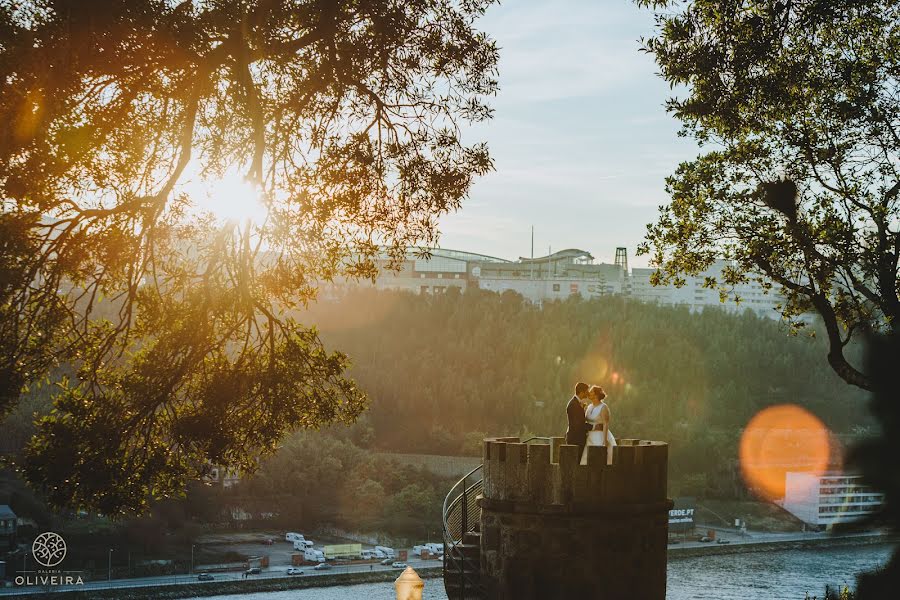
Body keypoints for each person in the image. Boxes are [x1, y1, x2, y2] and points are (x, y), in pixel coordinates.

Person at [581, 384, 617, 465]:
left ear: (596, 395)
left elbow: (605, 424)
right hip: (589, 436)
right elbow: (584, 420)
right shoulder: (589, 407)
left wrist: (604, 441)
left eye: (591, 392)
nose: (589, 393)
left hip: (600, 436)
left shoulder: (603, 407)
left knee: (599, 460)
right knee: (587, 461)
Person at [565, 382, 591, 457]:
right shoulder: (573, 405)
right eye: (587, 391)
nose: (588, 393)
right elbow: (578, 425)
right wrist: (593, 427)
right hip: (575, 439)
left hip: (578, 439)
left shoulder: (577, 403)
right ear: (582, 392)